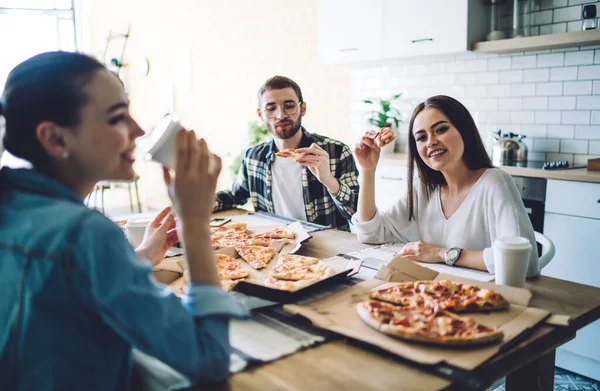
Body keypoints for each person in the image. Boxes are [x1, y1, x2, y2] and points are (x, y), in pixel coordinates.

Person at [0, 51, 248, 391]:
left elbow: (63, 285)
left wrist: (142, 255)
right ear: (55, 139)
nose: (139, 130)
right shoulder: (86, 233)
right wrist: (195, 225)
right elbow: (209, 358)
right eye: (118, 118)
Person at [352, 95, 539, 278]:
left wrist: (440, 254)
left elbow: (524, 262)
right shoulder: (424, 189)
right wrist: (368, 171)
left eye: (440, 130)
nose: (431, 142)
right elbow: (371, 233)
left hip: (484, 297)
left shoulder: (495, 182)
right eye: (421, 137)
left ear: (464, 130)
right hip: (436, 295)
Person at [214, 75, 359, 231]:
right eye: (271, 108)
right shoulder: (253, 157)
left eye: (289, 106)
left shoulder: (336, 152)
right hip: (277, 245)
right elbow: (235, 196)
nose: (281, 115)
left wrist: (330, 181)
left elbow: (357, 214)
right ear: (260, 115)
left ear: (302, 109)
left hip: (328, 246)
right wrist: (195, 203)